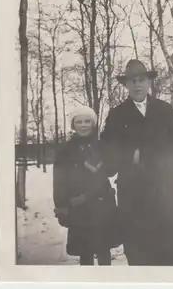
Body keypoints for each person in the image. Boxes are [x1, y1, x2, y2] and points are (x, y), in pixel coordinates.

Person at [100, 59, 173, 266]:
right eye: (132, 81)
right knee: (140, 255)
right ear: (126, 86)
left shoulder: (165, 110)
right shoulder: (117, 115)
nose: (137, 85)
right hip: (133, 196)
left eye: (141, 80)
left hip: (164, 191)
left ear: (149, 83)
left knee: (169, 255)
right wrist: (131, 156)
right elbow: (107, 153)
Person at [53, 106, 120, 266]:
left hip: (103, 205)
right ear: (73, 125)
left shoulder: (102, 146)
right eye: (79, 122)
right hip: (79, 205)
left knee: (104, 250)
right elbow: (59, 180)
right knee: (85, 252)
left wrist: (109, 156)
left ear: (93, 124)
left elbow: (111, 171)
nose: (83, 125)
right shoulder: (66, 150)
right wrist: (61, 206)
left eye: (87, 121)